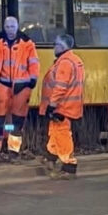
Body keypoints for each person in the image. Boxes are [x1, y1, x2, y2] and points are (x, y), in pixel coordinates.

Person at [0, 16, 40, 165]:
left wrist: (32, 80)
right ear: (4, 27)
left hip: (21, 87)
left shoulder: (28, 44)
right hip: (3, 85)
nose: (10, 30)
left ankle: (14, 153)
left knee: (16, 123)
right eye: (7, 27)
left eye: (12, 27)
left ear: (17, 26)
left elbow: (34, 63)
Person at [41, 33, 85, 180]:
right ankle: (50, 159)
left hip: (62, 106)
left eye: (56, 44)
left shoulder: (65, 62)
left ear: (62, 46)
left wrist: (52, 105)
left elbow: (60, 86)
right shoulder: (75, 60)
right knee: (55, 133)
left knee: (62, 135)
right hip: (69, 105)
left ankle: (69, 167)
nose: (54, 47)